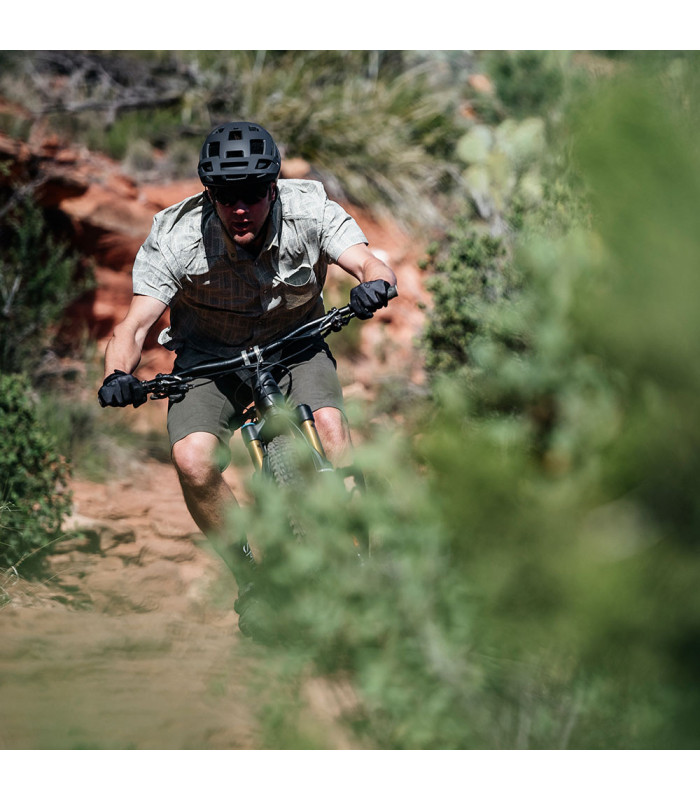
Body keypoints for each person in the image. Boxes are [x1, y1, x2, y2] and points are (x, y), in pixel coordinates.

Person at [98, 121, 397, 555]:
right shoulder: (176, 237)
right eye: (226, 196)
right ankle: (247, 576)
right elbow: (134, 325)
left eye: (254, 193)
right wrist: (115, 375)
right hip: (208, 363)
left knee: (330, 426)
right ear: (209, 195)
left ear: (273, 189)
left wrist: (373, 284)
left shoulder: (308, 211)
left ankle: (359, 557)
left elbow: (371, 263)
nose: (240, 208)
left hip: (295, 346)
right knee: (192, 460)